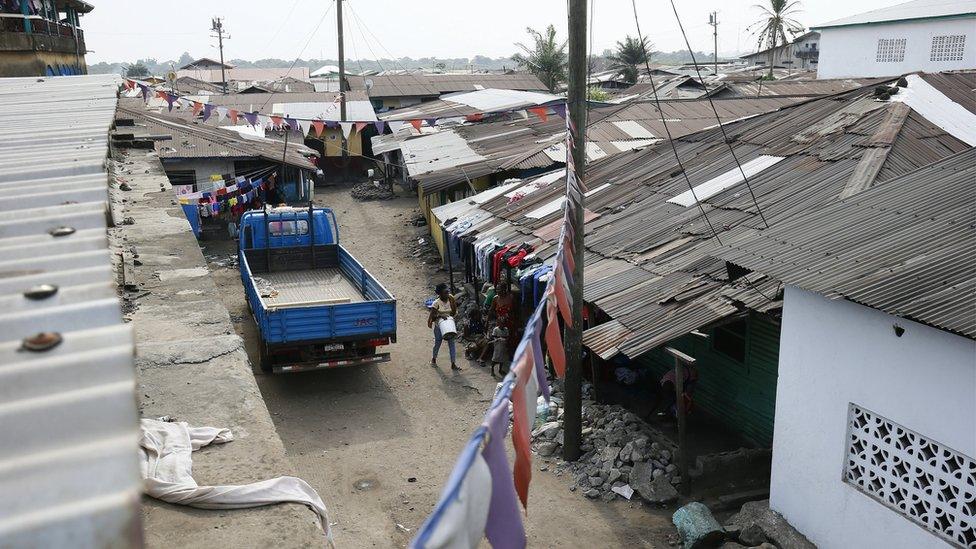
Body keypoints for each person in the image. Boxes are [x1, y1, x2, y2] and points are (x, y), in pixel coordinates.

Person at [428, 283, 460, 371]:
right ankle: (434, 359)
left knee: (452, 344)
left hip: (449, 325)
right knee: (438, 343)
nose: (447, 294)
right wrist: (440, 316)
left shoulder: (450, 299)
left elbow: (454, 312)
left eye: (447, 292)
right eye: (445, 292)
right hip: (439, 326)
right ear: (440, 294)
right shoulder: (436, 303)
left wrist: (451, 317)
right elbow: (433, 317)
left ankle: (453, 363)